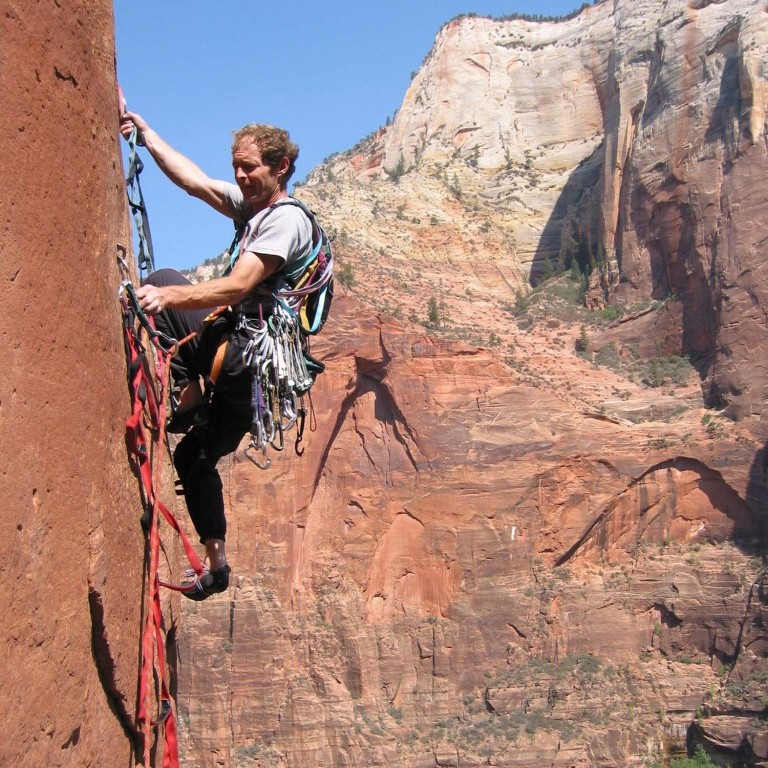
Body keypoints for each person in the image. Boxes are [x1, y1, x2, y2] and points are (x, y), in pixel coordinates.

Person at [119, 111, 315, 600]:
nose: (241, 175)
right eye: (237, 166)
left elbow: (239, 284)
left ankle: (187, 403)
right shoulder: (252, 208)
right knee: (193, 456)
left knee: (163, 280)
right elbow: (194, 182)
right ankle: (217, 565)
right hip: (252, 392)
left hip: (244, 363)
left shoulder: (284, 222)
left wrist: (168, 299)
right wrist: (147, 136)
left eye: (250, 167)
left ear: (282, 167)